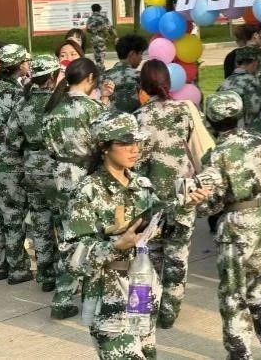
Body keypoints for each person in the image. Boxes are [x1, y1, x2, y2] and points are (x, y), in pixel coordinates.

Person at [65, 112, 182, 359]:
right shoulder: (88, 191)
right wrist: (116, 245)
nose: (134, 149)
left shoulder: (141, 184)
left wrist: (185, 206)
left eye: (137, 141)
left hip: (142, 286)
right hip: (109, 296)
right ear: (104, 147)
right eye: (125, 142)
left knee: (148, 351)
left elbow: (165, 228)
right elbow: (72, 256)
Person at [199, 91, 261, 360]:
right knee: (256, 282)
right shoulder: (258, 143)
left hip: (235, 226)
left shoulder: (216, 155)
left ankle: (240, 353)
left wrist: (195, 201)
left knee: (232, 293)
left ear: (210, 121)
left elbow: (211, 204)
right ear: (239, 116)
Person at [43, 57, 114, 319]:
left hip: (60, 176)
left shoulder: (54, 111)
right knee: (89, 239)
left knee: (68, 236)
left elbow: (47, 146)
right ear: (90, 79)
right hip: (87, 176)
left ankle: (68, 294)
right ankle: (71, 297)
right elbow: (106, 144)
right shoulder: (93, 110)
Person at [133, 60, 197, 329]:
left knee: (152, 252)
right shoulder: (186, 111)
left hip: (152, 194)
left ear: (143, 86)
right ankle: (170, 310)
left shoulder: (139, 117)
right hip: (183, 191)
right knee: (178, 252)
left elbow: (136, 161)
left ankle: (150, 304)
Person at [4, 54, 61, 292]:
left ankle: (46, 275)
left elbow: (11, 139)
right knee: (62, 222)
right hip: (56, 168)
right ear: (53, 76)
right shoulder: (60, 102)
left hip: (31, 167)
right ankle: (65, 276)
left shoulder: (22, 102)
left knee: (40, 222)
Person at [0, 44, 33, 284]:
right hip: (9, 160)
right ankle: (17, 268)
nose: (28, 64)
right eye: (25, 60)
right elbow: (16, 129)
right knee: (13, 215)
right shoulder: (15, 92)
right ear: (18, 65)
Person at [217, 45, 261, 128]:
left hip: (225, 128)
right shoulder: (252, 81)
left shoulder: (225, 82)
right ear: (255, 62)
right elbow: (254, 108)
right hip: (244, 129)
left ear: (237, 63)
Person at [103, 34, 148, 114]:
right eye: (140, 54)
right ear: (132, 54)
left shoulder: (104, 77)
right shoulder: (141, 77)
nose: (141, 58)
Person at [86, 4, 118, 72]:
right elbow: (110, 28)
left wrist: (94, 30)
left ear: (92, 9)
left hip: (94, 39)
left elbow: (88, 29)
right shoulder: (104, 18)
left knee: (97, 56)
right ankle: (101, 70)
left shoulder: (90, 19)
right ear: (100, 9)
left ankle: (99, 69)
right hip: (102, 39)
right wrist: (115, 36)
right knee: (101, 55)